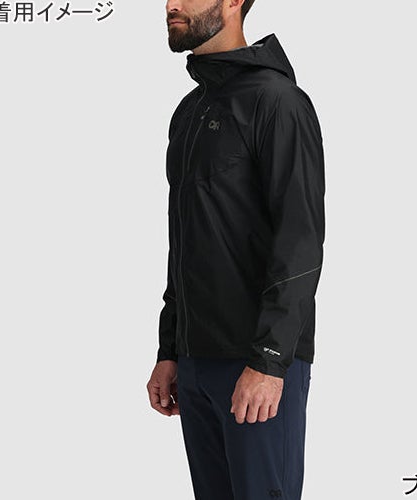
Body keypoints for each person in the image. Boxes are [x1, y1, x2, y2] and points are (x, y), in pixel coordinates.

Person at [146, 1, 326, 498]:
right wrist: (170, 349)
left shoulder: (278, 102)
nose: (171, 4)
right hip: (195, 361)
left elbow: (300, 240)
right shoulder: (189, 113)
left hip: (256, 362)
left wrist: (269, 361)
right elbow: (186, 239)